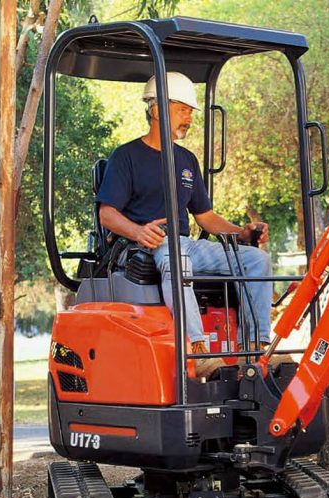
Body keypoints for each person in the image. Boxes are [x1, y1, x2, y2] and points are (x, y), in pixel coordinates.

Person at [95, 71, 274, 376]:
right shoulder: (126, 157)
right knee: (177, 258)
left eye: (190, 112)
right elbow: (107, 214)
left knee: (257, 261)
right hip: (145, 246)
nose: (188, 119)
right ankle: (199, 349)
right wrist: (139, 231)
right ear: (156, 111)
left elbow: (204, 216)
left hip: (185, 245)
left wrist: (241, 233)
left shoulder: (186, 160)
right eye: (182, 110)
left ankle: (255, 351)